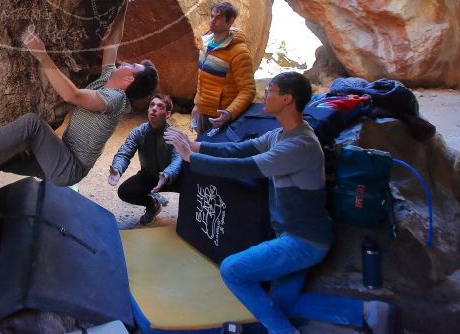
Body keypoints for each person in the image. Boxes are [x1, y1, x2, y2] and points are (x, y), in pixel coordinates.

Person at [165, 72, 394, 334]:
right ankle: (370, 312)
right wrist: (194, 146)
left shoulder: (300, 145)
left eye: (271, 90)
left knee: (232, 270)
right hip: (299, 236)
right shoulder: (280, 135)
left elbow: (246, 167)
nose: (265, 94)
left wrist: (191, 159)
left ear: (287, 99)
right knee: (283, 305)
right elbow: (241, 149)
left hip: (303, 242)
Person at [0, 3, 159, 232]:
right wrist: (123, 4)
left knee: (33, 124)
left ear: (129, 79)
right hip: (59, 156)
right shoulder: (110, 77)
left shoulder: (114, 99)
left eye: (132, 66)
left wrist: (43, 56)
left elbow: (73, 95)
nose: (126, 62)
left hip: (68, 166)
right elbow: (113, 42)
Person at [108, 94, 183, 225]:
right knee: (125, 192)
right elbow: (125, 152)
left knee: (194, 187)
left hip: (172, 177)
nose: (154, 109)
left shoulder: (174, 134)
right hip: (149, 177)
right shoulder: (138, 132)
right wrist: (117, 168)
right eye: (152, 105)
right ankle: (153, 204)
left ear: (167, 114)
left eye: (160, 107)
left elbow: (178, 158)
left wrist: (168, 174)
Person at [191, 2, 255, 135]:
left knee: (215, 153)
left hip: (221, 116)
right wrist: (198, 104)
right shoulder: (206, 42)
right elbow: (202, 78)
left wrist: (229, 113)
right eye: (212, 16)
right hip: (203, 112)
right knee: (200, 150)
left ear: (231, 21)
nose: (212, 21)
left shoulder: (239, 52)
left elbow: (248, 90)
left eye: (218, 18)